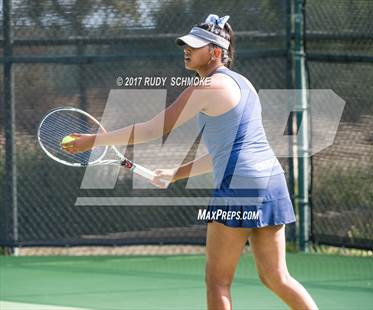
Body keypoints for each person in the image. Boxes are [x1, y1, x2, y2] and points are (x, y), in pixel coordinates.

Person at [62, 14, 318, 310]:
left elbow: (153, 130)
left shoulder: (206, 89)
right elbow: (229, 152)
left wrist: (91, 140)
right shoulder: (244, 84)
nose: (187, 49)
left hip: (239, 186)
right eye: (186, 44)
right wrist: (177, 173)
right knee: (277, 276)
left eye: (195, 46)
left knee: (218, 281)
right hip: (271, 181)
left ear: (216, 52)